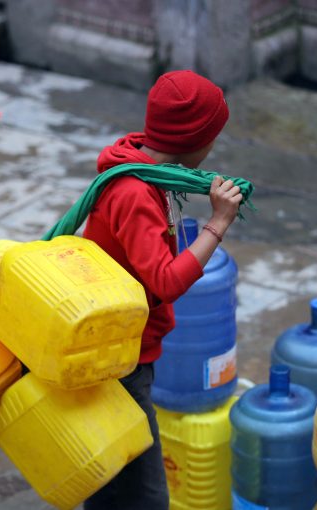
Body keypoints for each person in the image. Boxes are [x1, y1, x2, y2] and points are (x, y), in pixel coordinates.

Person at [82, 70, 242, 509]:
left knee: (111, 482)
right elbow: (166, 281)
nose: (214, 147)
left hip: (124, 347)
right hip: (120, 359)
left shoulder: (141, 158)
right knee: (146, 496)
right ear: (194, 141)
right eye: (213, 136)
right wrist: (219, 222)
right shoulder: (135, 191)